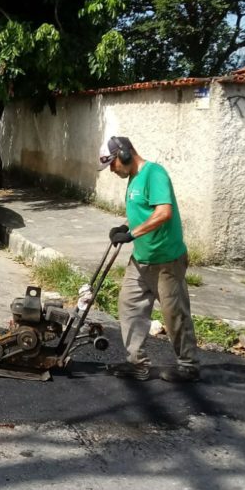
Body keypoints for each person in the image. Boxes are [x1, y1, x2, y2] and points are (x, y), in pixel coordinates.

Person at [98, 135, 199, 382]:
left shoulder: (154, 173)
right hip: (141, 259)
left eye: (112, 164)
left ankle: (188, 366)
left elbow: (163, 212)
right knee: (129, 307)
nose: (112, 170)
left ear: (124, 154)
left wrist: (132, 234)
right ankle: (137, 364)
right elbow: (142, 212)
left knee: (174, 314)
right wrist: (124, 227)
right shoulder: (133, 179)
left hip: (166, 260)